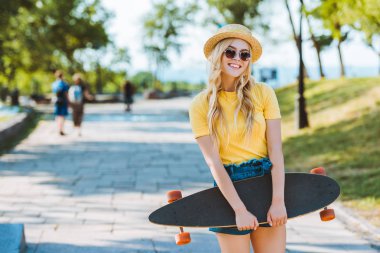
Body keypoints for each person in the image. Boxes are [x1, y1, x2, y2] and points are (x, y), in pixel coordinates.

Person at [189, 24, 287, 253]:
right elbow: (214, 163)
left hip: (265, 183)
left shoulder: (263, 93)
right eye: (230, 52)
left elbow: (276, 152)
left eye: (245, 54)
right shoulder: (200, 105)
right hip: (227, 191)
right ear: (218, 55)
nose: (237, 59)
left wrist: (278, 201)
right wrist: (239, 209)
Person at [52, 70, 70, 136]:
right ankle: (61, 129)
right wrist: (69, 101)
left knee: (57, 115)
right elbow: (66, 94)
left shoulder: (54, 84)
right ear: (62, 76)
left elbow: (54, 93)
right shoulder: (64, 84)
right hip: (63, 101)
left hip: (56, 101)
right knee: (62, 116)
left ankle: (58, 129)